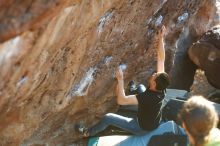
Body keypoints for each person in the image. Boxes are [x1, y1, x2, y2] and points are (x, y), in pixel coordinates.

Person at [76, 25, 170, 137]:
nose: (154, 74)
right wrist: (161, 38)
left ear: (154, 84)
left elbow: (121, 100)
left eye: (154, 76)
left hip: (141, 127)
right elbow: (161, 58)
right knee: (140, 88)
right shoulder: (161, 87)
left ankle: (87, 133)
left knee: (108, 118)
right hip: (152, 118)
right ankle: (132, 91)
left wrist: (120, 79)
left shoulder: (148, 98)